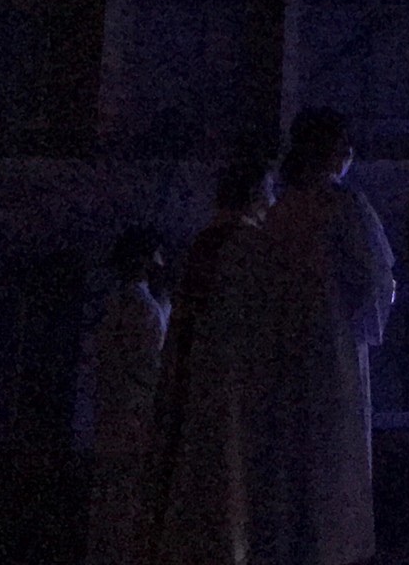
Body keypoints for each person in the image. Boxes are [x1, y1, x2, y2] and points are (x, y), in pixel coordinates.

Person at [244, 109, 395, 565]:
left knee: (293, 460)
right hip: (333, 350)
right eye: (342, 144)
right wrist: (364, 320)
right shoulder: (342, 206)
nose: (349, 154)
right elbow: (377, 277)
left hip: (286, 354)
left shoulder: (280, 211)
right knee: (334, 456)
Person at [147, 149, 276, 565]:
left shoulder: (205, 243)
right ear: (255, 195)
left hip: (198, 380)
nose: (272, 202)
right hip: (234, 383)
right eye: (268, 192)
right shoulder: (248, 246)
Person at [86, 225, 168, 565]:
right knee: (131, 509)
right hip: (137, 422)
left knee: (107, 507)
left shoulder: (112, 307)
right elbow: (152, 370)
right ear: (147, 260)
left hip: (111, 418)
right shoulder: (146, 309)